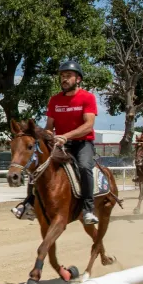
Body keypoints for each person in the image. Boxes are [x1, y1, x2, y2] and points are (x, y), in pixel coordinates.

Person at [13, 61, 99, 225]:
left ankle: (88, 208)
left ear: (78, 79)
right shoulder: (54, 100)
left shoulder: (88, 98)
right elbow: (49, 127)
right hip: (60, 144)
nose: (64, 79)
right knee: (39, 165)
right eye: (62, 76)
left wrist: (66, 136)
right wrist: (41, 135)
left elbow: (88, 125)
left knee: (84, 167)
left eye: (68, 76)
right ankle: (29, 203)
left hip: (82, 143)